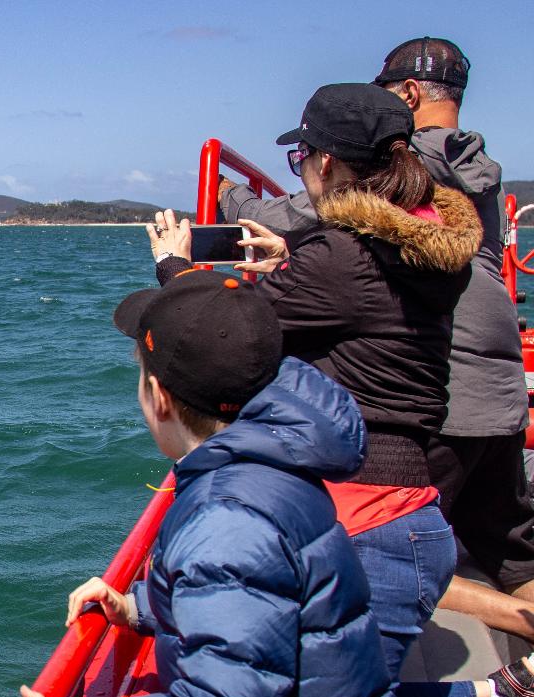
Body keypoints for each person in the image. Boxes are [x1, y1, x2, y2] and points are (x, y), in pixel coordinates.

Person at [149, 82, 532, 697]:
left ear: (326, 163)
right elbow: (349, 310)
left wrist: (175, 269)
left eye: (299, 155)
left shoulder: (340, 258)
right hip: (398, 508)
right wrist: (285, 268)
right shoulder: (420, 247)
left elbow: (230, 338)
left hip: (368, 521)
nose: (297, 168)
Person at [0, 270, 422, 697]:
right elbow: (265, 606)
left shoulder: (227, 518)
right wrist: (143, 606)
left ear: (159, 397)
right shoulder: (270, 465)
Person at [220, 37, 534, 645]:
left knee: (396, 544)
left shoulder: (399, 164)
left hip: (449, 385)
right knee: (513, 554)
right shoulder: (474, 174)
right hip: (501, 384)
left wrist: (234, 203)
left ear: (409, 96)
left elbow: (317, 218)